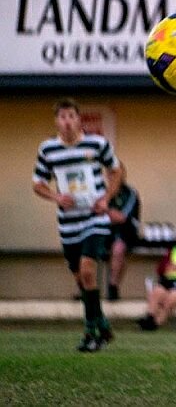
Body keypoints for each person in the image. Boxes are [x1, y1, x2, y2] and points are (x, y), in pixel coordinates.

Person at [32, 98, 123, 352]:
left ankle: (90, 332)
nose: (68, 121)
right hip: (68, 224)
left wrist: (106, 198)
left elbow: (116, 170)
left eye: (72, 116)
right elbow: (37, 183)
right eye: (62, 117)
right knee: (82, 281)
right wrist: (56, 197)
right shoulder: (48, 149)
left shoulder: (96, 144)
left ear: (79, 119)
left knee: (87, 272)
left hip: (95, 219)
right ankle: (103, 324)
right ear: (56, 121)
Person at [105, 165, 141, 301]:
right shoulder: (101, 192)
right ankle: (86, 289)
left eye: (116, 174)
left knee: (119, 247)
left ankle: (113, 287)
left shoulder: (130, 193)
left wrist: (105, 212)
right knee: (86, 244)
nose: (112, 177)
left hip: (127, 232)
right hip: (106, 231)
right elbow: (93, 212)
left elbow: (121, 217)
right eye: (110, 173)